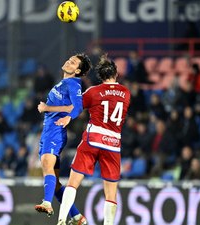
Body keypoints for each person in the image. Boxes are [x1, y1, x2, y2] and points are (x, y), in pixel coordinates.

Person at [56, 54, 131, 225]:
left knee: (73, 182)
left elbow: (76, 105)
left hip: (93, 139)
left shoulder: (94, 92)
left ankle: (61, 220)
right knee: (111, 193)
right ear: (116, 74)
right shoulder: (126, 93)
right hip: (113, 144)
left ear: (100, 76)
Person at [35, 53, 92, 225]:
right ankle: (77, 217)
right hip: (48, 131)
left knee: (47, 163)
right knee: (55, 182)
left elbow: (78, 106)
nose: (69, 61)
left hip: (56, 131)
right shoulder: (63, 83)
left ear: (77, 70)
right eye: (70, 59)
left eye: (74, 62)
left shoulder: (73, 83)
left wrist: (53, 110)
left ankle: (47, 203)